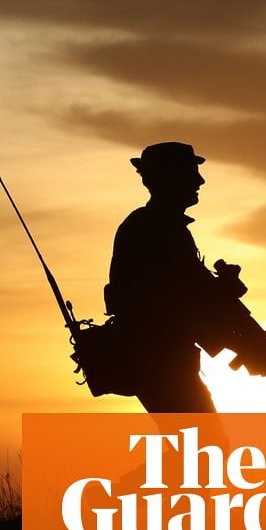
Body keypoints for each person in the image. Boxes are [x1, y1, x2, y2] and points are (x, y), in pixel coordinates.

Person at [103, 142, 227, 413]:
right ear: (169, 177)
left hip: (166, 361)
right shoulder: (151, 228)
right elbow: (168, 297)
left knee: (196, 444)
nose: (200, 180)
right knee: (203, 443)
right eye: (190, 173)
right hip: (158, 362)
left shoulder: (163, 227)